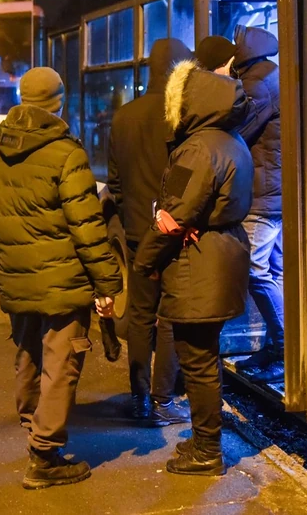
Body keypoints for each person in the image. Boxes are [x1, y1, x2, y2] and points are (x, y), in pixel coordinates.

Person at [0, 67, 123, 490]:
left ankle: (32, 428)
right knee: (62, 363)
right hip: (63, 283)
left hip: (15, 277)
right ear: (59, 102)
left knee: (28, 354)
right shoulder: (67, 154)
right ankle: (44, 456)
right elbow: (87, 228)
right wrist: (107, 285)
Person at [134, 59, 254, 476]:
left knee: (198, 362)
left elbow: (174, 216)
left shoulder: (198, 148)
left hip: (198, 264)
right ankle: (205, 442)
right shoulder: (231, 140)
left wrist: (145, 261)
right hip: (222, 256)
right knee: (206, 357)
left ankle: (207, 451)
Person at [108, 38, 192, 425]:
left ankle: (139, 398)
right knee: (170, 315)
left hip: (136, 232)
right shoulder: (181, 116)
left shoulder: (123, 117)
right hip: (172, 232)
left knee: (140, 316)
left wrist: (133, 216)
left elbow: (115, 183)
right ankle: (163, 400)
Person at [229, 26, 285, 383]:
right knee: (275, 273)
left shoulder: (256, 83)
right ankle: (276, 346)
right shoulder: (272, 74)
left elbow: (237, 131)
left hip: (264, 197)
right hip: (277, 192)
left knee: (254, 271)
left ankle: (283, 349)